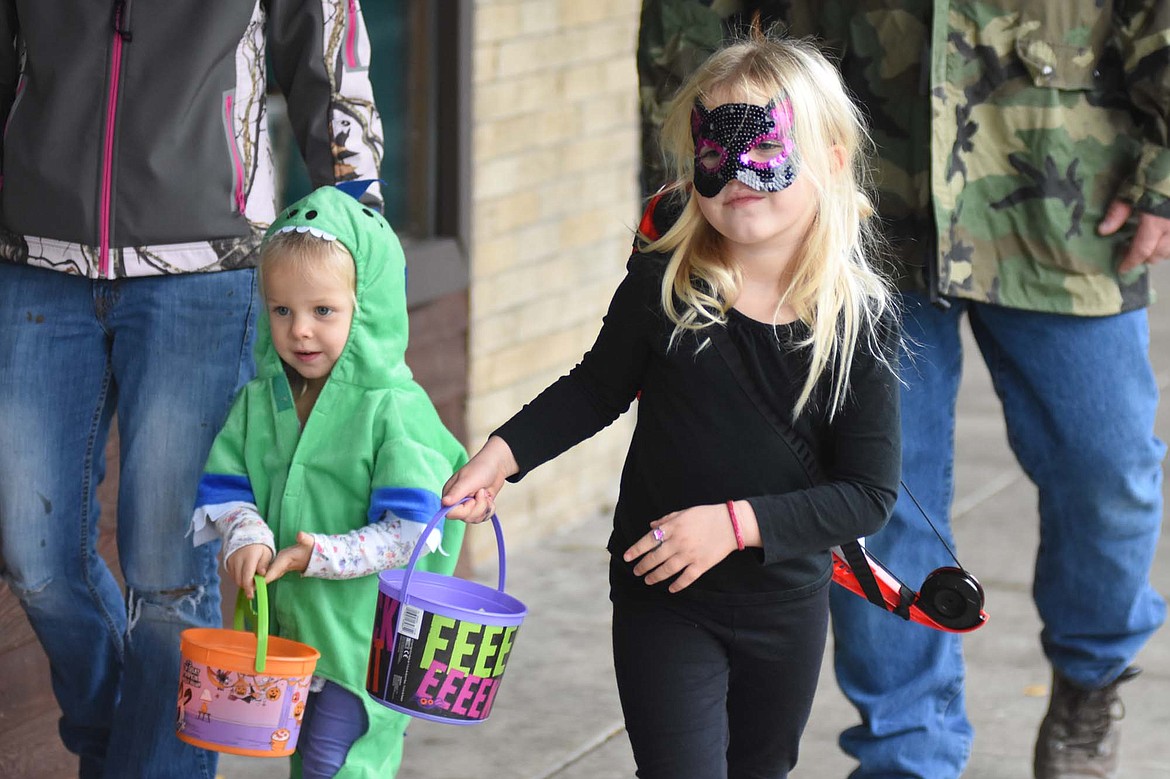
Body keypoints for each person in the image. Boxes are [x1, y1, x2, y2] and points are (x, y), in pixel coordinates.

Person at [637, 3, 1170, 778]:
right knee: (874, 497)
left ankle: (1092, 676)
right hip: (849, 200)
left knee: (1107, 469)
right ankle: (906, 750)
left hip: (1066, 197)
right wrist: (695, 163)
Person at [443, 30, 902, 779]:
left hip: (782, 606)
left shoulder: (856, 320)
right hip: (663, 595)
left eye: (767, 149)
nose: (740, 175)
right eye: (715, 155)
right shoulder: (666, 284)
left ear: (831, 160)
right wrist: (500, 455)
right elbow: (596, 386)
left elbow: (867, 494)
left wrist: (733, 524)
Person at [0, 3, 385, 777]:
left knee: (169, 574)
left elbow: (327, 44)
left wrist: (359, 228)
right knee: (32, 556)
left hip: (204, 262)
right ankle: (122, 746)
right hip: (36, 247)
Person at [191, 185, 468, 778]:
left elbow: (409, 534)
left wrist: (316, 554)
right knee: (305, 762)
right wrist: (247, 534)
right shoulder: (261, 401)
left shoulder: (393, 410)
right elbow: (228, 486)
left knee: (336, 764)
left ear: (365, 307)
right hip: (291, 636)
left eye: (324, 311)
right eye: (281, 310)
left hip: (363, 644)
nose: (300, 332)